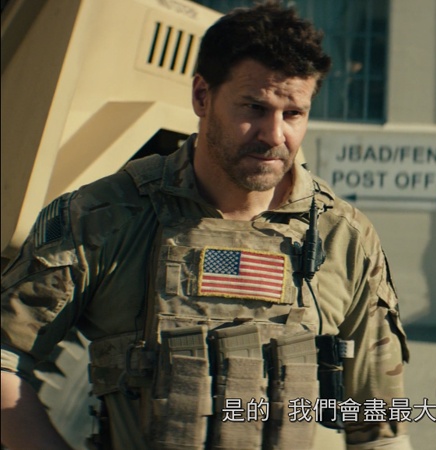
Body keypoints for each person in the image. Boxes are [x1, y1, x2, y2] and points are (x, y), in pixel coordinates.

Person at [0, 3, 411, 449]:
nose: (275, 135)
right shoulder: (107, 216)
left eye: (293, 113)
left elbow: (380, 426)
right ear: (201, 96)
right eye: (254, 107)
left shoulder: (343, 237)